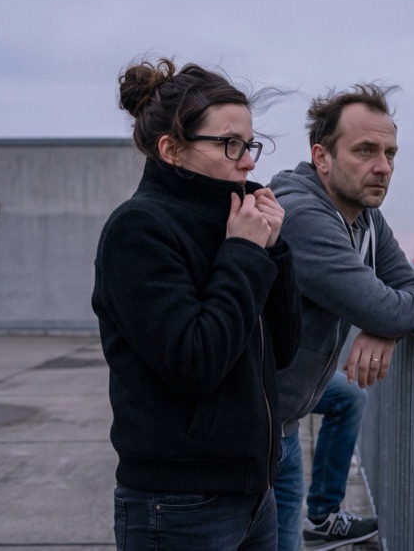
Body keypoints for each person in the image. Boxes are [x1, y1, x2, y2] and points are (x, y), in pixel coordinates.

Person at [269, 83, 414, 551]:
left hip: (283, 412)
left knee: (346, 399)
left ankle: (322, 516)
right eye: (365, 151)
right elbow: (383, 304)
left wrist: (388, 329)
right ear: (322, 157)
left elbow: (407, 292)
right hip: (255, 425)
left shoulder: (365, 217)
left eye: (390, 153)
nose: (383, 167)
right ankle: (321, 518)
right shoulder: (301, 215)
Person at [91, 58, 303, 551]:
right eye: (230, 144)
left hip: (254, 492)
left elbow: (285, 348)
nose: (248, 160)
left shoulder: (237, 220)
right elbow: (195, 362)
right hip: (179, 502)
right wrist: (246, 253)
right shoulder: (138, 230)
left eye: (250, 144)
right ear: (171, 149)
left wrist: (275, 248)